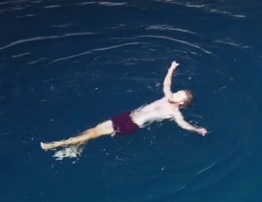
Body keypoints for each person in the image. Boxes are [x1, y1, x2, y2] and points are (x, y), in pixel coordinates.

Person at [40, 61, 207, 158]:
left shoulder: (174, 112)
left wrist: (197, 129)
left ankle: (55, 145)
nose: (176, 94)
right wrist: (171, 69)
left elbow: (182, 124)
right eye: (178, 92)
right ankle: (76, 148)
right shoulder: (167, 95)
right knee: (94, 131)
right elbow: (167, 84)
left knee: (94, 132)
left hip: (130, 125)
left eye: (180, 96)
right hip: (127, 116)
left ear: (181, 103)